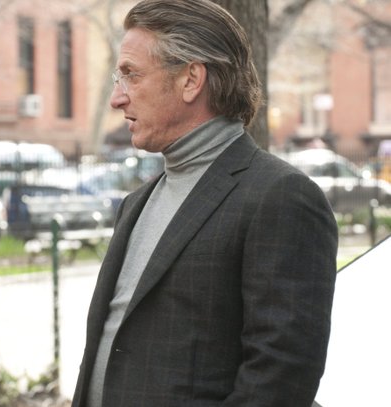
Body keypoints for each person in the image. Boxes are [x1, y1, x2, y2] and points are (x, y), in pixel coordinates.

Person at [72, 1, 338, 406]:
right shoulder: (138, 202)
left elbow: (280, 377)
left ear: (191, 79)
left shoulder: (280, 197)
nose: (116, 98)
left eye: (131, 75)